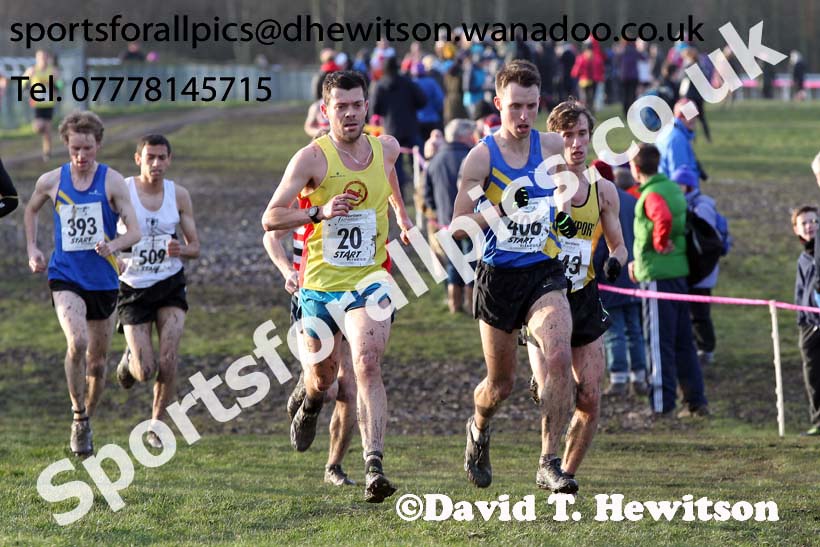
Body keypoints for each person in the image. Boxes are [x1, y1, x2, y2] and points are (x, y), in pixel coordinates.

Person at [261, 71, 413, 503]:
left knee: (365, 364)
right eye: (340, 106)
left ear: (367, 106)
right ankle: (309, 402)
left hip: (372, 280)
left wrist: (401, 217)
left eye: (356, 104)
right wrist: (319, 212)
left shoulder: (387, 147)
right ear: (325, 111)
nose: (349, 113)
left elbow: (390, 177)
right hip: (321, 287)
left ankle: (374, 464)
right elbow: (270, 218)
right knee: (324, 382)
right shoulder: (311, 159)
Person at [450, 60, 579, 494]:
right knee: (500, 386)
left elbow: (569, 187)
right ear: (497, 104)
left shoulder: (553, 145)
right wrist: (501, 209)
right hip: (498, 277)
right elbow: (459, 226)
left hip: (543, 269)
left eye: (531, 106)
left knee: (559, 355)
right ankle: (478, 428)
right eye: (515, 107)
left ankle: (549, 461)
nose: (524, 116)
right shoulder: (481, 157)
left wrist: (562, 201)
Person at [24, 111, 141, 455]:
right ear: (66, 145)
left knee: (97, 362)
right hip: (65, 274)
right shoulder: (51, 181)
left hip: (103, 279)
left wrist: (115, 245)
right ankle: (77, 416)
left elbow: (134, 229)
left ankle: (86, 420)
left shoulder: (112, 181)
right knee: (76, 341)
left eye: (88, 148)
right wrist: (33, 248)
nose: (81, 156)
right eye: (75, 148)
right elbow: (30, 210)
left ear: (98, 145)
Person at [526, 99, 628, 490]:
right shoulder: (537, 184)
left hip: (583, 292)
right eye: (566, 135)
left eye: (582, 133)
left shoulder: (604, 191)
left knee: (590, 396)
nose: (576, 142)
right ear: (555, 139)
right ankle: (548, 459)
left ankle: (564, 474)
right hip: (543, 293)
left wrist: (615, 260)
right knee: (558, 382)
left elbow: (618, 245)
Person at [114, 135, 200, 450]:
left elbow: (196, 247)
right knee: (145, 369)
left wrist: (183, 249)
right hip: (134, 287)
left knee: (169, 357)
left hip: (169, 284)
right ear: (138, 159)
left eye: (162, 157)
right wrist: (116, 260)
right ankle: (129, 360)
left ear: (169, 159)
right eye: (150, 157)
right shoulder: (121, 191)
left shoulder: (179, 195)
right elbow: (104, 236)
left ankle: (156, 426)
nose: (156, 164)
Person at [263, 209, 358, 485]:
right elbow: (270, 236)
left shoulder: (364, 188)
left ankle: (334, 467)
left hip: (356, 298)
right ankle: (307, 394)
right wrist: (287, 271)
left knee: (350, 388)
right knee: (326, 390)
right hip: (312, 296)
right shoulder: (305, 193)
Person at [627, 144, 708, 417]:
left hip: (657, 276)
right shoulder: (673, 187)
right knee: (684, 341)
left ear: (636, 168)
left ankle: (662, 406)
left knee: (659, 343)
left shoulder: (651, 193)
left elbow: (661, 216)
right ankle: (696, 401)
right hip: (678, 273)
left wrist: (659, 244)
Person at [590, 160, 647, 396]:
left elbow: (602, 246)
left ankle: (619, 377)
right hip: (634, 273)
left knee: (614, 330)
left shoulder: (600, 203)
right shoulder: (633, 201)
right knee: (634, 328)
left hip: (610, 277)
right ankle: (640, 376)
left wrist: (593, 271)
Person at [423, 119, 476, 313]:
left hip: (445, 221)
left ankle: (454, 305)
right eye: (470, 134)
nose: (472, 137)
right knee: (472, 262)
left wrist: (436, 212)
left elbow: (426, 192)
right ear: (462, 136)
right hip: (471, 220)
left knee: (453, 264)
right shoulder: (472, 157)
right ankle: (471, 306)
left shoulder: (435, 160)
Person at [672, 165, 720, 366]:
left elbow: (707, 240)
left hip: (703, 270)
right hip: (693, 268)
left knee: (700, 312)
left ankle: (706, 349)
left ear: (688, 187)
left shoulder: (702, 207)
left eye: (679, 185)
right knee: (692, 310)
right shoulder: (686, 204)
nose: (676, 188)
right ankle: (697, 345)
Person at [790, 205, 820, 436]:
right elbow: (801, 291)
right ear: (796, 230)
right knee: (813, 373)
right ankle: (818, 420)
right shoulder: (803, 258)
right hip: (810, 324)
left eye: (813, 221)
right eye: (804, 223)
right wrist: (802, 319)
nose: (809, 226)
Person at [23, 50, 60, 161]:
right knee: (39, 127)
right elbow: (22, 82)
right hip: (37, 102)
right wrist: (26, 90)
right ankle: (40, 127)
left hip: (49, 103)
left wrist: (55, 87)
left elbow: (60, 84)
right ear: (37, 59)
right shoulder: (32, 70)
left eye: (44, 57)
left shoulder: (52, 71)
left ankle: (47, 153)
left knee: (48, 131)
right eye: (40, 58)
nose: (42, 60)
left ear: (47, 58)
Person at [657, 99, 703, 183]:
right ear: (679, 116)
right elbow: (679, 176)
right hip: (675, 192)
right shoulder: (677, 139)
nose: (692, 120)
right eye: (688, 116)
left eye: (694, 115)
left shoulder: (671, 131)